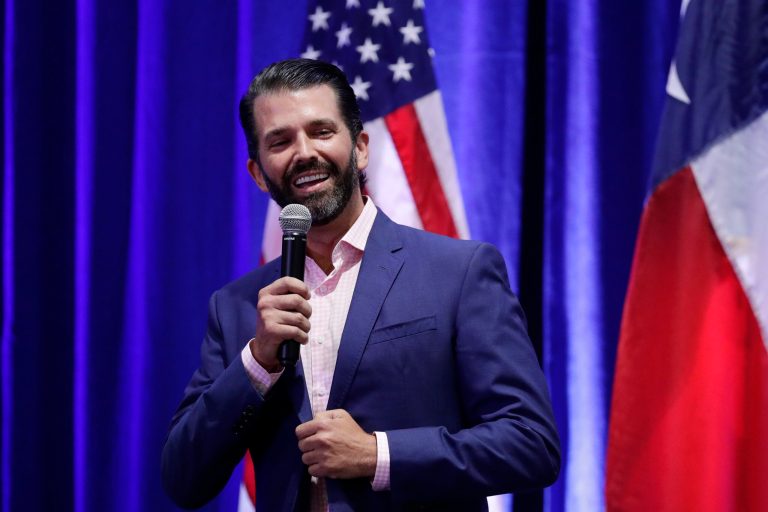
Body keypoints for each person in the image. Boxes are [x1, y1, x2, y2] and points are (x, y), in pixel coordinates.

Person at [162, 58, 560, 511]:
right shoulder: (237, 306)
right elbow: (183, 478)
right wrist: (257, 363)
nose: (304, 152)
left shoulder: (459, 273)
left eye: (322, 131)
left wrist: (378, 455)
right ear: (258, 173)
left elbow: (530, 444)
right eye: (281, 141)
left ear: (360, 147)